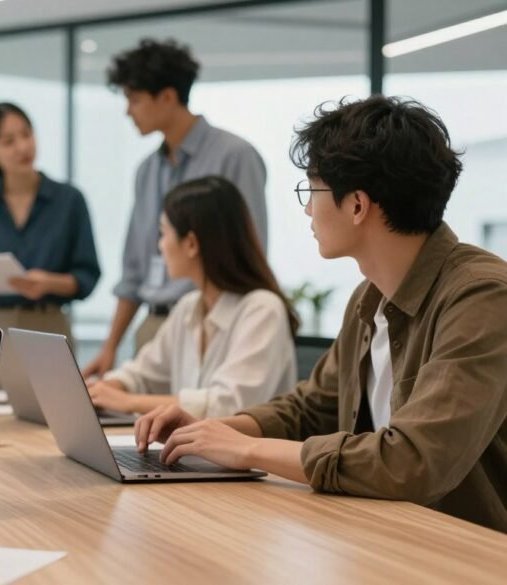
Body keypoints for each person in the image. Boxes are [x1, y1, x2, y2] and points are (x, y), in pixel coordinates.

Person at [135, 96, 507, 533]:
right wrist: (213, 430)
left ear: (357, 205)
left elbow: (414, 462)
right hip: (383, 535)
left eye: (313, 190)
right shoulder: (368, 298)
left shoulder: (482, 297)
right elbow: (312, 409)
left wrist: (247, 451)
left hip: (467, 552)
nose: (309, 209)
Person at [83, 38, 268, 378]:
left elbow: (249, 252)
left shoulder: (234, 156)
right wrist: (110, 347)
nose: (128, 111)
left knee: (198, 424)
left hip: (211, 326)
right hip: (153, 329)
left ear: (167, 96)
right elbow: (134, 270)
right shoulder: (146, 171)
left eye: (134, 99)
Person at [87, 176, 296, 416]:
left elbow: (227, 406)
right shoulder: (188, 307)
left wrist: (129, 401)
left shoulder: (263, 310)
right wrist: (105, 388)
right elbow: (142, 373)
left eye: (163, 233)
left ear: (191, 244)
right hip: (192, 452)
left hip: (242, 451)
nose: (160, 246)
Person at [0, 102, 100, 346]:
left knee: (56, 386)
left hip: (49, 324)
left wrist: (48, 283)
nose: (23, 146)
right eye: (9, 141)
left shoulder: (69, 200)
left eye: (26, 134)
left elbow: (87, 275)